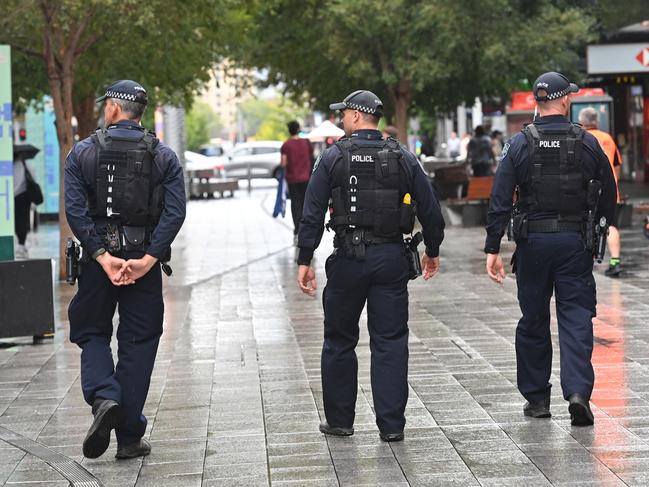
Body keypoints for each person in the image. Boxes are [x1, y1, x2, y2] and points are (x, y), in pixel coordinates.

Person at [297, 90, 445, 442]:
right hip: (391, 259)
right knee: (391, 341)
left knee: (338, 340)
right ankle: (391, 425)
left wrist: (305, 258)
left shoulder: (333, 156)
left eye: (344, 112)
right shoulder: (402, 156)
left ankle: (340, 420)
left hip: (348, 260)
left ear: (356, 116)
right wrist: (433, 249)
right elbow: (430, 207)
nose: (341, 118)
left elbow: (312, 211)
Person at [485, 72, 616, 426]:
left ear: (536, 102)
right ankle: (577, 392)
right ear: (565, 99)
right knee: (575, 317)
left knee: (533, 320)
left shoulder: (519, 144)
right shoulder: (586, 142)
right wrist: (601, 227)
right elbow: (608, 191)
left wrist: (492, 247)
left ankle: (537, 399)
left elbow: (500, 197)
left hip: (532, 243)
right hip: (574, 242)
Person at [65, 80, 186, 460]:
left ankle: (104, 395)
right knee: (140, 342)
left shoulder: (83, 152)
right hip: (142, 265)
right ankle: (130, 436)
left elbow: (75, 209)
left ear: (115, 108)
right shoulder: (163, 155)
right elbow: (175, 211)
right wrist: (148, 258)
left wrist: (102, 255)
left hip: (97, 264)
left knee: (91, 331)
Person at [579, 107, 624, 277]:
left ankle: (587, 259)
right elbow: (617, 165)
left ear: (582, 121)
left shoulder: (581, 138)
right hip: (609, 189)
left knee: (585, 223)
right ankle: (615, 261)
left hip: (587, 191)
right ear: (596, 120)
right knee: (610, 224)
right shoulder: (607, 138)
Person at [281, 120, 313, 239]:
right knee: (306, 203)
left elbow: (283, 163)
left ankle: (297, 229)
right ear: (298, 129)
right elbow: (311, 156)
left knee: (295, 203)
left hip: (292, 179)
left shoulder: (286, 145)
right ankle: (306, 228)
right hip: (306, 178)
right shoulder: (306, 143)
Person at [13, 154, 36, 258]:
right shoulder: (26, 164)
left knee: (15, 221)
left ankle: (19, 244)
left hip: (11, 197)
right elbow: (33, 179)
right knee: (23, 221)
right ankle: (21, 245)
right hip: (24, 197)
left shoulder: (9, 165)